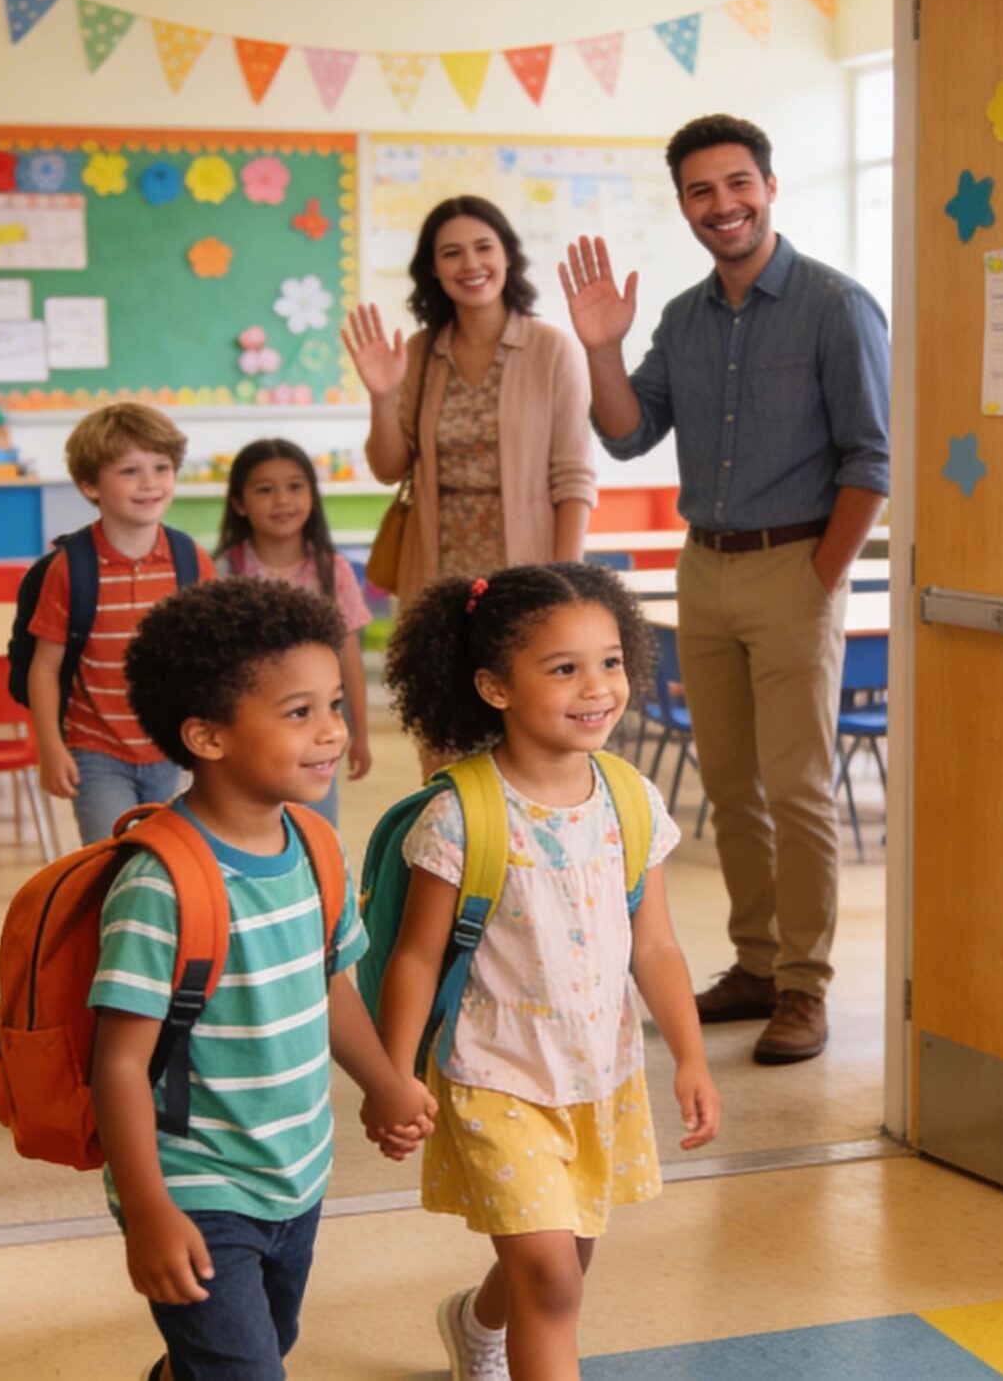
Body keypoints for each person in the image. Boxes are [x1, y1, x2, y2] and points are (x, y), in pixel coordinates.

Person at [560, 113, 891, 1066]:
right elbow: (626, 435)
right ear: (684, 206)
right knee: (730, 786)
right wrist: (599, 348)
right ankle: (754, 965)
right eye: (702, 192)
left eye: (737, 184)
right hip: (701, 566)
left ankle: (805, 986)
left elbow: (871, 461)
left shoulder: (836, 306)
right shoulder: (680, 318)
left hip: (797, 565)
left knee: (797, 791)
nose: (723, 205)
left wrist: (820, 578)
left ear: (770, 187)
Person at [374, 562, 721, 1381]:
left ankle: (473, 1322)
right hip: (496, 1077)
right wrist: (392, 1076)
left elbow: (657, 948)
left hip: (599, 1074)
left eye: (610, 661)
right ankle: (497, 1328)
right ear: (495, 686)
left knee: (562, 1265)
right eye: (564, 668)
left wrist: (694, 1058)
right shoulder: (461, 814)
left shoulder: (630, 798)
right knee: (553, 1278)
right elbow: (416, 956)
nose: (597, 686)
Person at [96, 577, 438, 1381]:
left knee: (257, 1350)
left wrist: (385, 1082)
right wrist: (148, 1210)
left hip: (297, 1169)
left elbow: (328, 987)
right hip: (196, 1182)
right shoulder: (162, 884)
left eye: (334, 707)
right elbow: (116, 1064)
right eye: (298, 713)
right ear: (208, 738)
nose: (330, 733)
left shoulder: (314, 847)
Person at [343, 195, 597, 598]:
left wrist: (564, 581)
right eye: (451, 253)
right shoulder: (420, 351)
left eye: (484, 248)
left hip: (529, 572)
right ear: (433, 268)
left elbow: (573, 478)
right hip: (434, 574)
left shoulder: (551, 349)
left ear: (508, 256)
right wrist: (382, 397)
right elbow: (389, 469)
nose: (471, 265)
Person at [29, 402, 214, 845]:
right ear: (89, 484)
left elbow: (214, 661)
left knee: (174, 864)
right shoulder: (70, 569)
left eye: (162, 467)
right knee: (112, 862)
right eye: (129, 470)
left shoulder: (191, 561)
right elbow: (44, 669)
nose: (150, 482)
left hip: (178, 752)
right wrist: (51, 748)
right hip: (96, 752)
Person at [216, 437, 376, 822]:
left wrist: (361, 735)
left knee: (315, 830)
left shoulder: (331, 569)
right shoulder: (226, 570)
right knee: (252, 824)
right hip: (251, 731)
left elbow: (348, 656)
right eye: (265, 490)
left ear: (312, 495)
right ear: (239, 502)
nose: (282, 500)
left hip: (315, 730)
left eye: (295, 486)